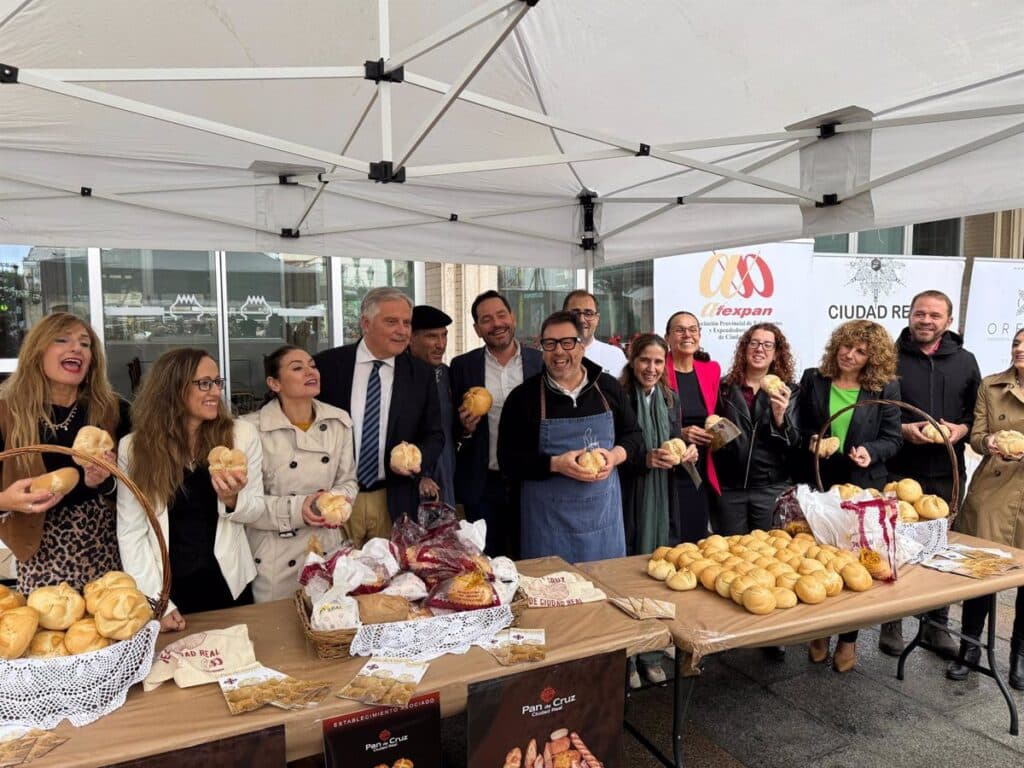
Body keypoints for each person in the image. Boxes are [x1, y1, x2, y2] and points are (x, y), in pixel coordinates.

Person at [118, 348, 263, 632]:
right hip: (167, 588)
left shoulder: (241, 435)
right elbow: (131, 531)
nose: (215, 392)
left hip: (228, 584)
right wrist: (157, 602)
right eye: (204, 383)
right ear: (173, 387)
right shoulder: (135, 449)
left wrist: (232, 499)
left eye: (217, 382)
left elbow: (256, 508)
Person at [796, 320, 902, 672]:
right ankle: (819, 630)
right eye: (846, 346)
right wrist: (812, 440)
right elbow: (800, 425)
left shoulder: (885, 387)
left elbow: (892, 438)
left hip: (861, 483)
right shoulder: (814, 378)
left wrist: (870, 451)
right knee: (818, 558)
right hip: (820, 481)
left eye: (860, 351)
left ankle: (848, 638)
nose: (849, 355)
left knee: (857, 563)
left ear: (872, 358)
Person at [498, 310, 643, 563]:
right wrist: (555, 464)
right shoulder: (523, 398)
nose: (559, 352)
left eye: (567, 342)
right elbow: (508, 460)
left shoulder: (608, 388)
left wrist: (614, 456)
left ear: (582, 346)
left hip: (603, 524)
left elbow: (633, 435)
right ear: (541, 348)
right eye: (550, 344)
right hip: (547, 528)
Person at [882, 290, 981, 658]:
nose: (926, 320)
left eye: (934, 315)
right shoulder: (888, 358)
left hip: (946, 469)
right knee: (893, 545)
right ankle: (891, 620)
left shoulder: (966, 361)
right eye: (919, 313)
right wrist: (904, 430)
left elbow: (975, 414)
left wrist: (961, 430)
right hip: (897, 465)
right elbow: (874, 409)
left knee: (940, 546)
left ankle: (935, 626)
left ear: (948, 322)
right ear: (909, 315)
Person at [0, 313, 129, 593]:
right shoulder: (7, 413)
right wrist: (6, 500)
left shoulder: (112, 410)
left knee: (113, 624)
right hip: (39, 550)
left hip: (108, 544)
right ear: (37, 352)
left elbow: (137, 490)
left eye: (85, 344)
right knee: (52, 632)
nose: (76, 349)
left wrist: (104, 481)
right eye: (62, 340)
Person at [315, 287, 444, 546]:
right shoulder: (327, 366)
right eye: (391, 322)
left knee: (390, 581)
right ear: (365, 323)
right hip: (335, 499)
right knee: (335, 579)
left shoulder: (421, 374)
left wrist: (416, 459)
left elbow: (434, 434)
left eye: (406, 323)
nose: (402, 330)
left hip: (393, 499)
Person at [242, 345, 358, 602]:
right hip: (276, 555)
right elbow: (244, 505)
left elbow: (348, 482)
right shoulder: (250, 429)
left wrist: (336, 503)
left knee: (328, 625)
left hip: (326, 547)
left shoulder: (339, 421)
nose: (310, 371)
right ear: (274, 383)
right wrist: (299, 509)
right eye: (297, 368)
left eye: (312, 366)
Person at [618, 333, 699, 686]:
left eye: (657, 362)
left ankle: (652, 649)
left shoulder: (670, 398)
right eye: (644, 361)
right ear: (632, 361)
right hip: (631, 493)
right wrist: (643, 458)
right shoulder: (619, 397)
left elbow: (674, 438)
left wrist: (686, 452)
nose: (651, 368)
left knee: (659, 566)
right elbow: (612, 450)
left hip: (663, 493)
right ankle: (628, 656)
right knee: (630, 570)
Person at [946, 327, 1024, 690]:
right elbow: (976, 437)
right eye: (1016, 343)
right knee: (982, 572)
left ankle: (1019, 657)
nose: (1019, 349)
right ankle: (970, 648)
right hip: (993, 491)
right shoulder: (991, 385)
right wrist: (989, 440)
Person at [451, 290, 543, 557]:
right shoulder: (462, 367)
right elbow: (450, 426)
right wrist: (464, 429)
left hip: (530, 481)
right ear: (477, 329)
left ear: (512, 318)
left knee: (530, 556)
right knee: (485, 560)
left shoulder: (539, 362)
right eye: (487, 319)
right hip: (482, 484)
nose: (496, 324)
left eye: (501, 315)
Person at [715, 323, 800, 535]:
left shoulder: (789, 390)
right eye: (754, 343)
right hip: (729, 488)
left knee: (770, 554)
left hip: (770, 488)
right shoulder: (723, 388)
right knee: (729, 555)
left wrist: (780, 416)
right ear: (745, 348)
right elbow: (713, 435)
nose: (759, 349)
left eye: (767, 345)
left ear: (776, 354)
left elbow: (795, 442)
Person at [662, 310, 720, 538]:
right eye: (679, 330)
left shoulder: (711, 370)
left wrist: (717, 433)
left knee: (697, 535)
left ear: (700, 335)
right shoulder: (658, 369)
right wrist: (681, 433)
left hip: (702, 467)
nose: (687, 334)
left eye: (692, 329)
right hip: (670, 467)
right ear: (667, 338)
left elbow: (715, 412)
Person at [408, 305, 456, 508]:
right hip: (414, 485)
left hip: (446, 477)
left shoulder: (446, 374)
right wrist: (419, 478)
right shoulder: (401, 376)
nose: (441, 344)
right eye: (432, 337)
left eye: (444, 336)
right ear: (411, 338)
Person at [563, 290, 627, 377]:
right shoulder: (552, 355)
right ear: (563, 316)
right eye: (575, 313)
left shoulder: (615, 356)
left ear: (597, 318)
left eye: (588, 313)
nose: (581, 320)